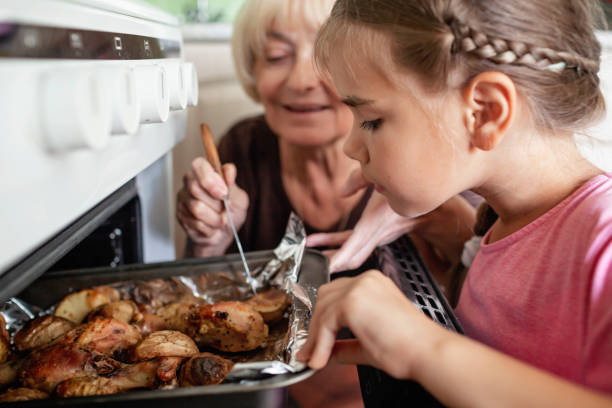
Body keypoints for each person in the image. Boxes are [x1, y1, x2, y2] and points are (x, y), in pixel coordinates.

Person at [297, 0, 612, 406]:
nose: (351, 146)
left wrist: (422, 347)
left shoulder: (602, 240)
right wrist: (443, 225)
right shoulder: (501, 224)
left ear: (484, 112)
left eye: (372, 121)